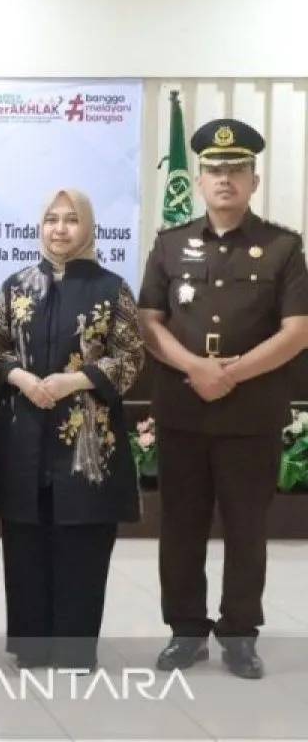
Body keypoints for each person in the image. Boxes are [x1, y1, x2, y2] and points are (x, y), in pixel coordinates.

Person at [138, 119, 308, 680]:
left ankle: (239, 634)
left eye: (236, 169)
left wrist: (230, 374)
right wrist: (196, 368)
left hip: (250, 414)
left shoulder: (283, 247)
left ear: (254, 180)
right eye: (214, 169)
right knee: (180, 528)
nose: (225, 178)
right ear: (200, 180)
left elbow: (298, 330)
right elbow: (149, 321)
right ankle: (185, 631)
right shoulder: (169, 244)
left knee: (246, 530)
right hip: (184, 410)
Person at [0, 188, 145, 671]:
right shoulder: (16, 286)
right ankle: (31, 647)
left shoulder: (112, 288)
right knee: (25, 541)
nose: (59, 228)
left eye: (71, 219)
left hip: (87, 442)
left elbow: (131, 357)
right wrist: (20, 378)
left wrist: (76, 380)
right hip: (24, 437)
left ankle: (75, 649)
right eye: (51, 219)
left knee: (82, 542)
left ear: (87, 227)